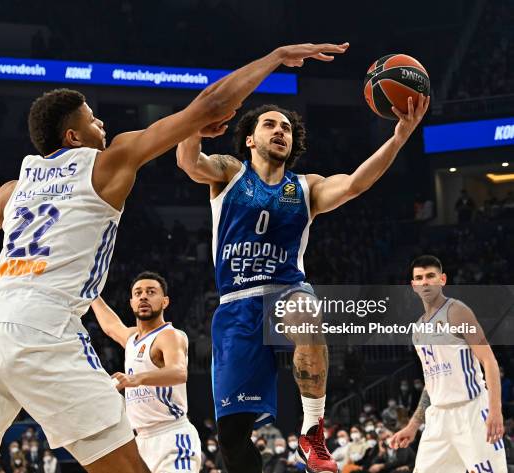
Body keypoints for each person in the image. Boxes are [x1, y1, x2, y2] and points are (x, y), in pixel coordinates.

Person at [0, 42, 335, 473]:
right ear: (73, 136)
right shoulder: (108, 161)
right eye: (92, 119)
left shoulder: (16, 186)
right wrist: (274, 58)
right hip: (43, 328)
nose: (101, 123)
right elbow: (213, 102)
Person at [176, 73, 429, 472]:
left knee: (306, 314)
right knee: (233, 438)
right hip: (237, 305)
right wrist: (193, 129)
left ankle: (312, 433)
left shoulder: (305, 187)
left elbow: (354, 185)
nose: (280, 131)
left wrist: (398, 137)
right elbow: (189, 163)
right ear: (249, 139)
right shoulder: (229, 173)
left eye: (287, 128)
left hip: (286, 290)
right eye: (270, 124)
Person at [390, 255, 507, 472]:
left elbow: (489, 360)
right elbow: (432, 381)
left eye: (430, 276)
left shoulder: (457, 311)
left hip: (471, 410)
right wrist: (413, 425)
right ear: (413, 285)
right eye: (419, 278)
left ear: (442, 279)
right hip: (438, 418)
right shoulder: (417, 330)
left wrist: (495, 410)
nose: (425, 281)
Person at [91, 271, 201, 472]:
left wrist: (136, 379)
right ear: (131, 302)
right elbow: (111, 326)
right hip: (139, 440)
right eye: (138, 293)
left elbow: (178, 372)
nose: (143, 296)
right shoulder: (132, 338)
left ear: (165, 301)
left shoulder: (169, 335)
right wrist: (91, 293)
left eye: (151, 292)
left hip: (171, 436)